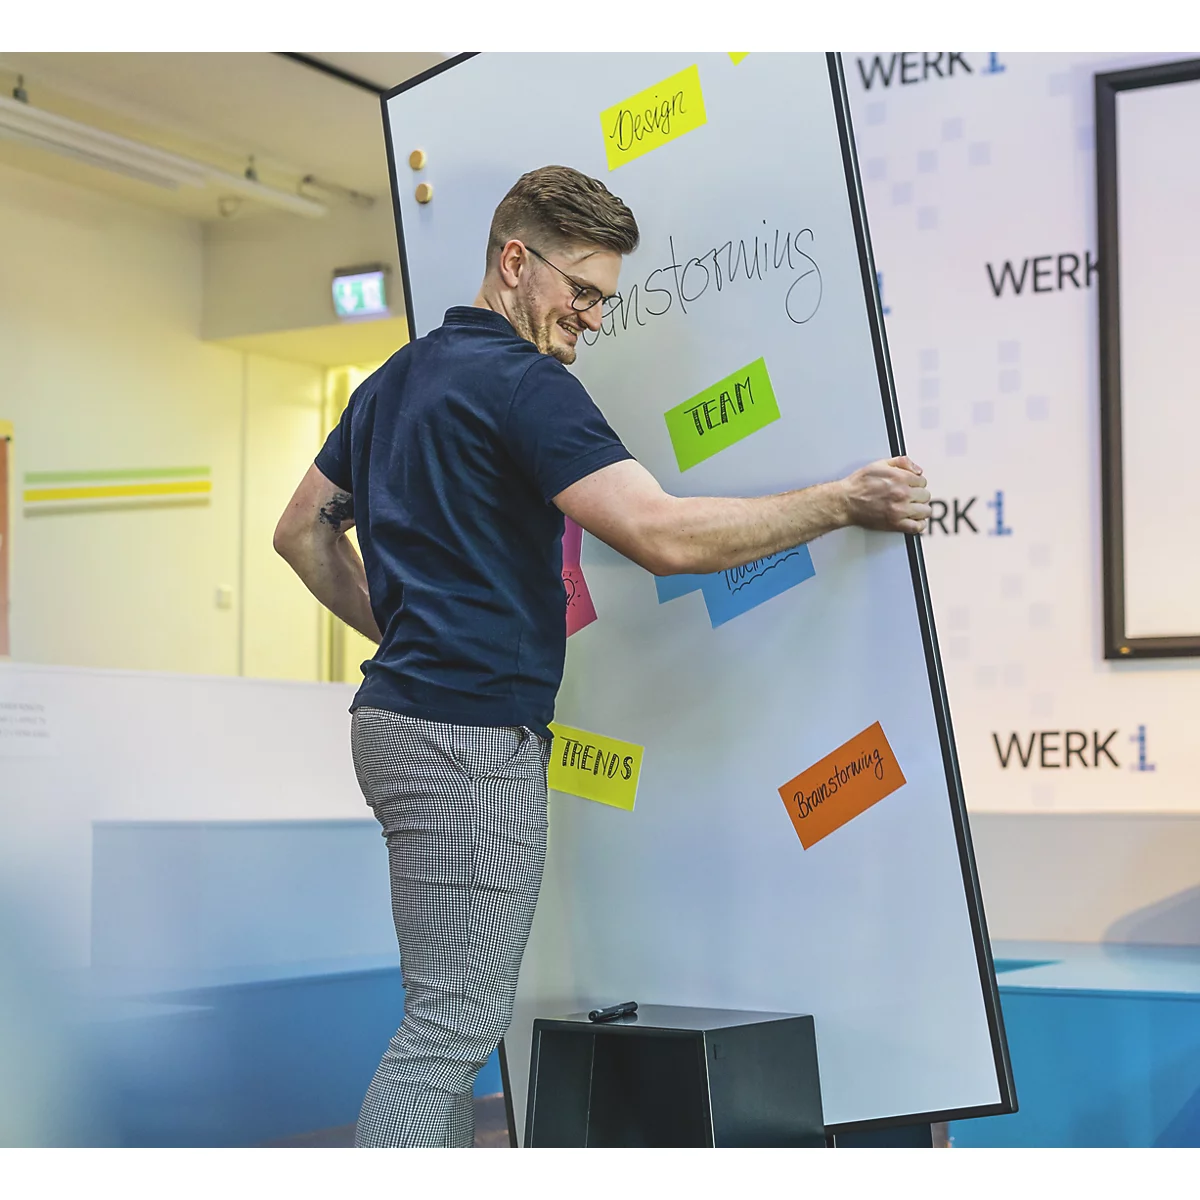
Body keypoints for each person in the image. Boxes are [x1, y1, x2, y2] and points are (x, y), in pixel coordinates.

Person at [274, 165, 932, 1148]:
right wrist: (844, 501)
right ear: (513, 260)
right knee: (446, 1034)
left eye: (602, 303)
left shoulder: (397, 379)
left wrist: (407, 636)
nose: (588, 320)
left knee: (445, 1027)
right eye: (579, 293)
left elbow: (301, 534)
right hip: (466, 740)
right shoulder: (524, 386)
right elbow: (662, 535)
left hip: (402, 725)